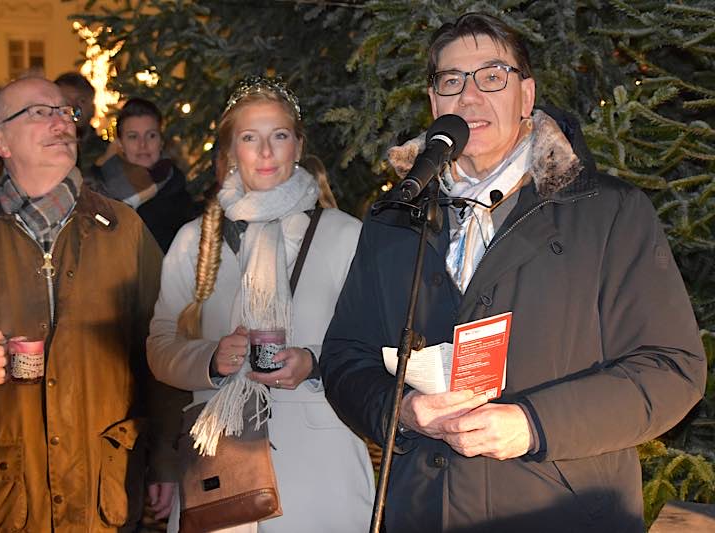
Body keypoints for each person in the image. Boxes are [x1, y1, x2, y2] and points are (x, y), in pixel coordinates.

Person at [320, 13, 707, 532]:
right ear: (434, 103)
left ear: (526, 96)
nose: (470, 96)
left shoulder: (608, 213)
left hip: (562, 513)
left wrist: (532, 424)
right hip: (423, 513)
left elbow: (672, 370)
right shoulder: (396, 218)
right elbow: (345, 359)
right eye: (452, 80)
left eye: (492, 76)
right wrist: (402, 411)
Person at [0, 76, 174, 532]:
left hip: (104, 493)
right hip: (1, 501)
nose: (61, 122)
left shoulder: (124, 230)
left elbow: (164, 346)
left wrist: (169, 460)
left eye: (64, 112)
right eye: (39, 112)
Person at [147, 76, 374, 532]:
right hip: (220, 468)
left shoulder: (344, 235)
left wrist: (311, 362)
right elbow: (160, 344)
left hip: (320, 466)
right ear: (231, 151)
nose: (266, 152)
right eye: (250, 138)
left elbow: (378, 344)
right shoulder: (195, 242)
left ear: (298, 145)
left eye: (279, 136)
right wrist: (211, 357)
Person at [92, 97, 202, 253]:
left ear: (161, 141)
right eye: (133, 136)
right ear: (120, 144)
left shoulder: (179, 197)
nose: (142, 145)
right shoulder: (99, 189)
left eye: (151, 135)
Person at [55, 71, 109, 179]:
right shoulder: (42, 150)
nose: (74, 109)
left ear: (92, 109)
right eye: (65, 103)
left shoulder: (107, 152)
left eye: (81, 101)